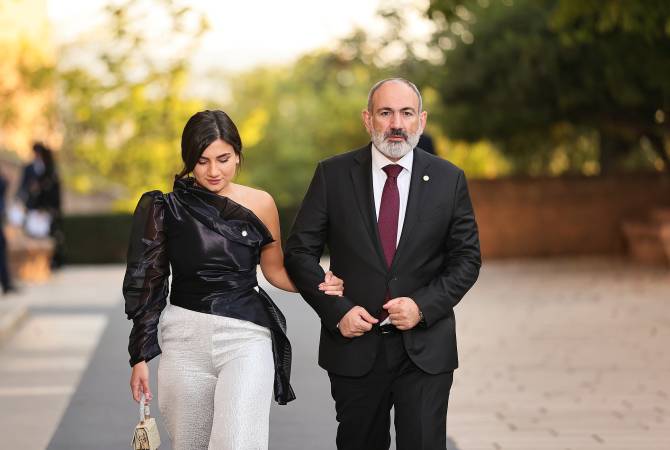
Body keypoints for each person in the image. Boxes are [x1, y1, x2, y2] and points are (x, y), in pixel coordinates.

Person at [122, 110, 345, 450]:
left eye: (223, 159)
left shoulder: (261, 203)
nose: (214, 171)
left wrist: (319, 282)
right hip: (183, 340)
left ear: (238, 155)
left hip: (246, 337)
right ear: (188, 161)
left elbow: (275, 270)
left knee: (238, 444)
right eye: (202, 161)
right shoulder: (165, 208)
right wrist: (139, 356)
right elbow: (148, 283)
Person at [285, 78, 481, 450]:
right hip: (355, 348)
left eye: (406, 113)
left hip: (426, 349)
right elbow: (299, 252)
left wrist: (422, 306)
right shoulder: (333, 175)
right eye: (385, 112)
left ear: (421, 121)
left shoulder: (448, 179)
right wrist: (337, 310)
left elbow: (467, 259)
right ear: (368, 119)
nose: (396, 123)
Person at [16, 142, 64, 267]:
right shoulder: (29, 168)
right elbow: (23, 186)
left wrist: (53, 207)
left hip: (46, 207)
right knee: (32, 234)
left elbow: (55, 190)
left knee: (47, 235)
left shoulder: (50, 169)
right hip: (33, 206)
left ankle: (50, 262)